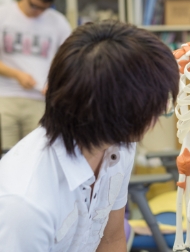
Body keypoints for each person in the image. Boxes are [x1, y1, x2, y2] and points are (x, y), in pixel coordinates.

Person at [0, 20, 180, 251]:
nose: (158, 117)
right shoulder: (26, 204)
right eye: (156, 107)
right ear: (117, 113)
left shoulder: (118, 145)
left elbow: (111, 238)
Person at [0, 0, 72, 151]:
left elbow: (69, 61)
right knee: (8, 157)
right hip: (5, 99)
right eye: (34, 6)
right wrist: (17, 74)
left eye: (44, 8)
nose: (38, 12)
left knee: (36, 156)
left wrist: (56, 83)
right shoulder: (3, 15)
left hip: (40, 101)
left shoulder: (58, 22)